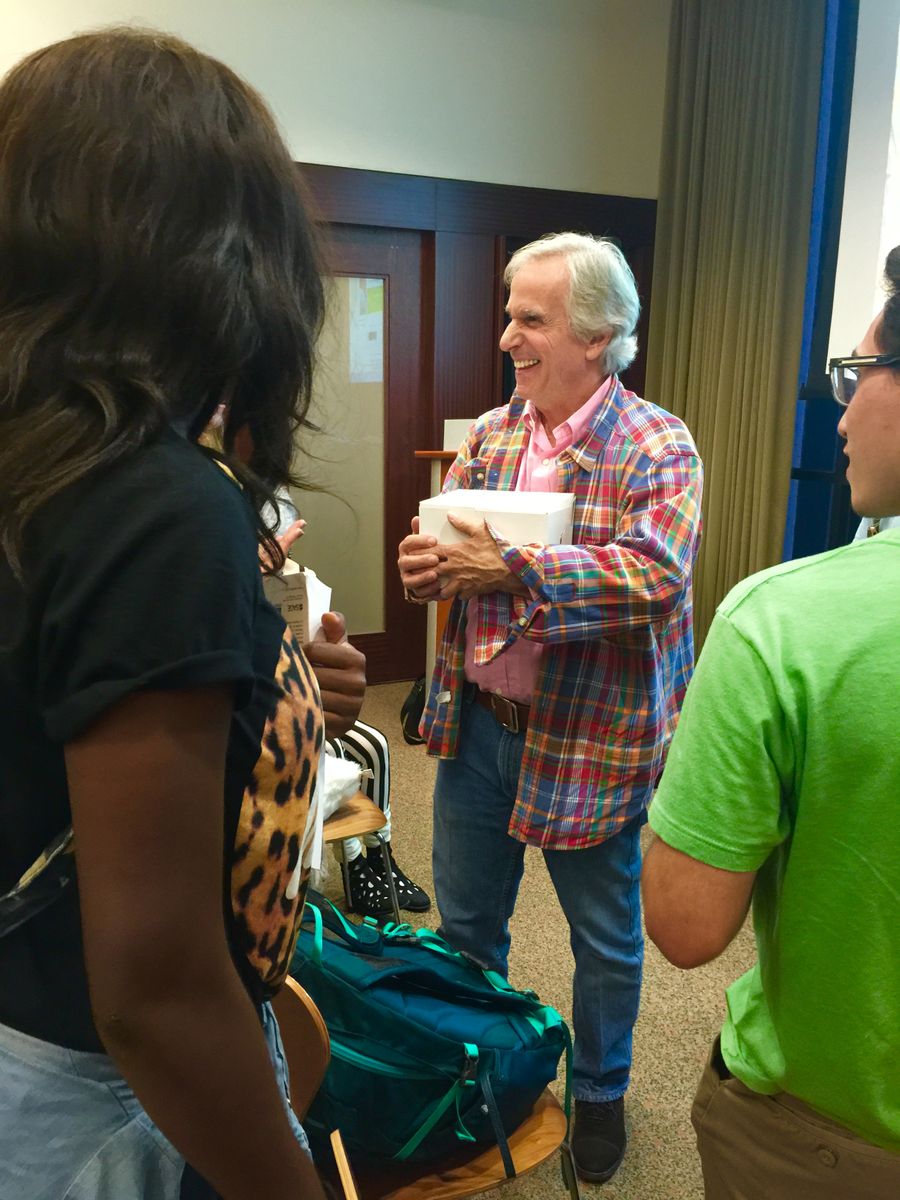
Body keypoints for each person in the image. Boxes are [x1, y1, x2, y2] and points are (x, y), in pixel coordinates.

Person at [0, 28, 330, 1200]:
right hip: (88, 1095)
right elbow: (156, 987)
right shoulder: (150, 502)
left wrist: (269, 670)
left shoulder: (40, 464)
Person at [397, 232, 703, 1182]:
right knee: (466, 929)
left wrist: (514, 566)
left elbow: (654, 577)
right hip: (480, 730)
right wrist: (425, 572)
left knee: (604, 943)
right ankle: (484, 1076)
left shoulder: (658, 444)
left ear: (600, 333)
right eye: (510, 314)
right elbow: (447, 556)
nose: (508, 337)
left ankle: (601, 1094)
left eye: (531, 318)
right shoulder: (489, 436)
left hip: (593, 745)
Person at [641, 250, 900, 1197]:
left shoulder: (781, 621)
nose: (841, 411)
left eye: (857, 373)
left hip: (828, 1145)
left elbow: (684, 923)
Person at [268, 489, 431, 917]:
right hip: (262, 719)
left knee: (374, 742)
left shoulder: (295, 577)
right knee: (346, 749)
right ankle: (356, 866)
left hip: (291, 696)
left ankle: (380, 859)